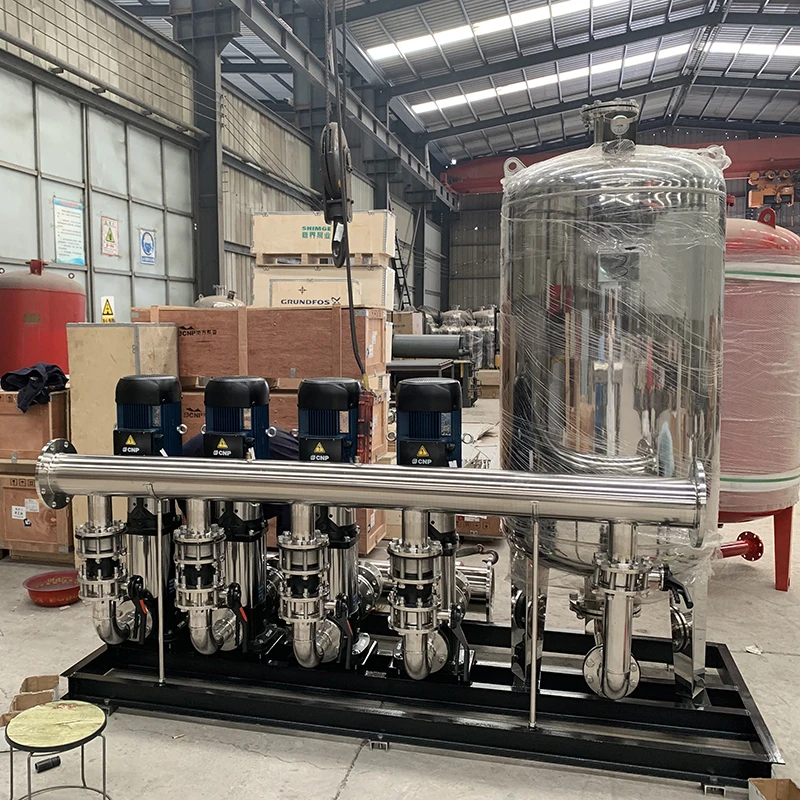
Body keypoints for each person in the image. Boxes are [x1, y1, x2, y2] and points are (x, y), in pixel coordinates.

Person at [182, 427, 298, 534]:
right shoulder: (294, 466)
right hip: (194, 464)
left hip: (209, 459)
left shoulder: (291, 458)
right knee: (205, 528)